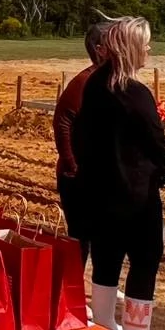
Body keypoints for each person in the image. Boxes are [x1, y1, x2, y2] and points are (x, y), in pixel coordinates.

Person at [71, 16, 165, 330]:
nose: (149, 49)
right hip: (135, 194)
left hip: (99, 191)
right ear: (132, 48)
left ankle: (104, 323)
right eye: (146, 43)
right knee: (146, 259)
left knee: (107, 257)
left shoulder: (95, 84)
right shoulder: (135, 92)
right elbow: (156, 139)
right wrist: (163, 170)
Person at [53, 22, 112, 267]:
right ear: (100, 50)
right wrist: (71, 164)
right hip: (79, 176)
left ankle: (102, 287)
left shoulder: (110, 81)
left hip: (100, 174)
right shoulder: (85, 82)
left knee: (104, 236)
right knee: (81, 239)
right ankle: (73, 293)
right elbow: (62, 121)